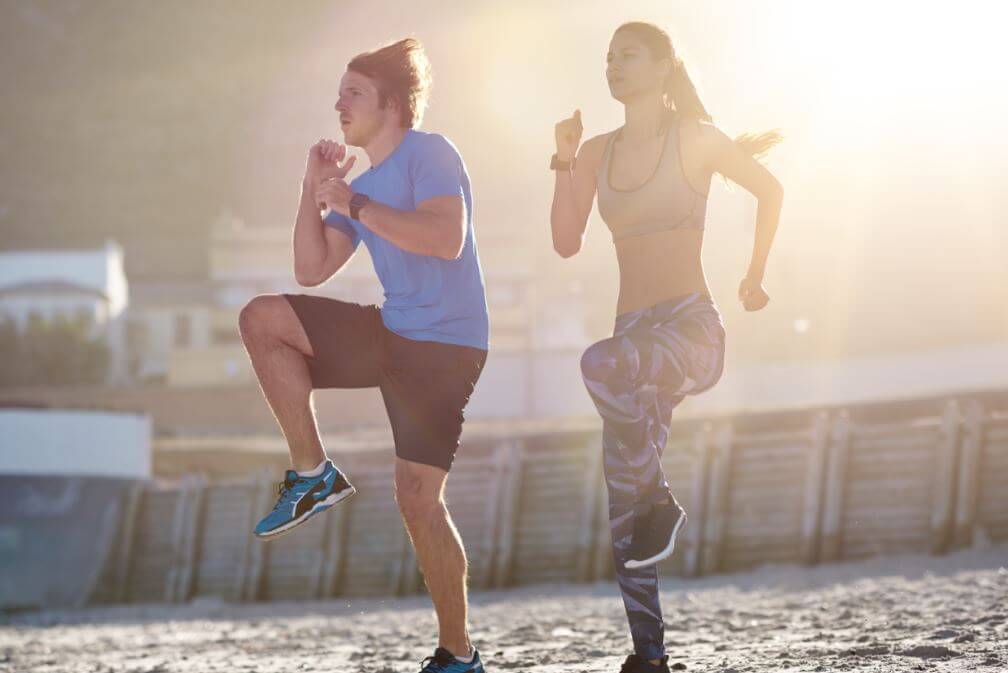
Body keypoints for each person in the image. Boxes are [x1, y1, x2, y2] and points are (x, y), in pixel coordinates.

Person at [238, 38, 489, 673]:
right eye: (340, 91)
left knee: (417, 498)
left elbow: (445, 239)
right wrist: (313, 187)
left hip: (447, 347)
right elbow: (311, 268)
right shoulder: (365, 184)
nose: (338, 104)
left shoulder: (429, 153)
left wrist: (349, 201)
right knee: (263, 319)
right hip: (393, 331)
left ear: (394, 103)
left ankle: (458, 656)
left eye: (354, 92)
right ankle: (311, 473)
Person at [549, 21, 783, 673]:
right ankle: (649, 656)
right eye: (608, 58)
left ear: (662, 66)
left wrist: (755, 274)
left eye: (629, 56)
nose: (615, 66)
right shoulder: (596, 151)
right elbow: (566, 241)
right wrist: (565, 159)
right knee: (621, 497)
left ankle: (656, 489)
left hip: (689, 332)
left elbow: (770, 189)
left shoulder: (695, 139)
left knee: (599, 365)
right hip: (633, 339)